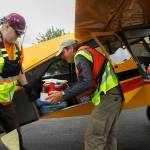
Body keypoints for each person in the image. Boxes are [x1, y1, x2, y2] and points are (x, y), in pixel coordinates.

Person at [46, 39, 123, 150]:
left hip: (108, 95)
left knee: (93, 137)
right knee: (109, 136)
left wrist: (62, 94)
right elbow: (88, 80)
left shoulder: (80, 55)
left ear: (71, 48)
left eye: (63, 53)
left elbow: (86, 82)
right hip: (115, 95)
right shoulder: (87, 52)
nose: (62, 57)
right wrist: (69, 89)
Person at [0, 13, 35, 150]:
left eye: (21, 34)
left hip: (6, 101)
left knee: (15, 139)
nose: (19, 37)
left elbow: (19, 69)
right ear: (7, 26)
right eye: (17, 33)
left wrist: (27, 86)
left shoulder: (18, 47)